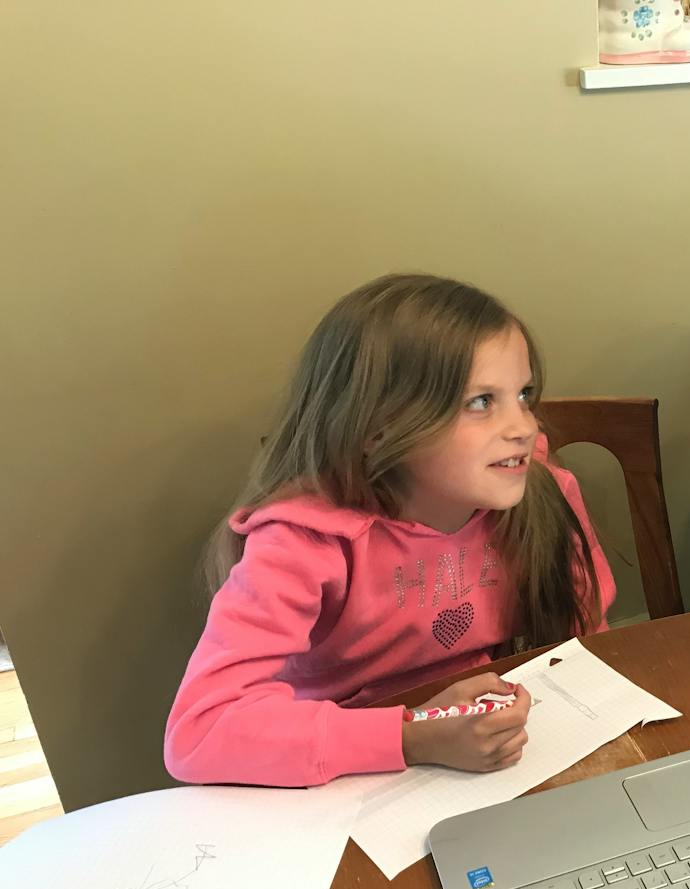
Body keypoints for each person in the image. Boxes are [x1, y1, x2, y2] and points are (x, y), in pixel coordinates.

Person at [165, 274, 615, 786]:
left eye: (523, 394)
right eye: (481, 402)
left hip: (499, 753)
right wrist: (412, 737)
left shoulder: (544, 491)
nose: (525, 427)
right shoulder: (305, 543)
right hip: (347, 779)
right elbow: (199, 733)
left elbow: (588, 637)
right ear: (378, 428)